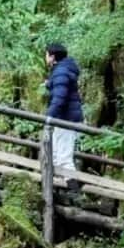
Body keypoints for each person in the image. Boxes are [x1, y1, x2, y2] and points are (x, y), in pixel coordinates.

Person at [43, 42, 83, 182]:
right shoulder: (63, 69)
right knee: (54, 155)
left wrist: (49, 116)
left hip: (66, 119)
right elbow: (62, 87)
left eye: (46, 54)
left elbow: (60, 97)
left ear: (52, 57)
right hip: (66, 117)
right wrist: (50, 84)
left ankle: (74, 194)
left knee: (63, 158)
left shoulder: (61, 71)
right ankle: (57, 187)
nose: (45, 57)